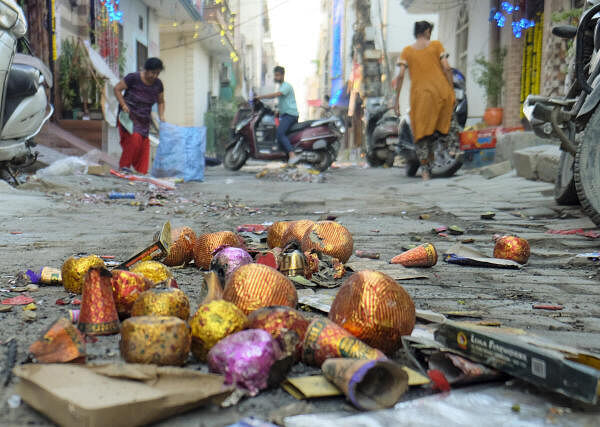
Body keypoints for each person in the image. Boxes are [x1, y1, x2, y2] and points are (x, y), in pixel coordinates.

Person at [394, 21, 455, 180]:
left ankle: (426, 171)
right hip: (440, 93)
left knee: (421, 134)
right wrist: (451, 89)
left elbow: (400, 75)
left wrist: (396, 101)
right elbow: (447, 67)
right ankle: (452, 151)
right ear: (427, 31)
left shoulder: (407, 51)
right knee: (444, 126)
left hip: (420, 97)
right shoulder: (436, 46)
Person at [114, 57, 166, 174]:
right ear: (146, 70)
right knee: (134, 139)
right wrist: (123, 105)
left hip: (143, 120)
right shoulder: (133, 78)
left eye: (157, 73)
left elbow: (161, 101)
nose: (154, 76)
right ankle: (124, 168)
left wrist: (161, 116)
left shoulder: (158, 84)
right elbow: (117, 89)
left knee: (144, 145)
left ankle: (141, 173)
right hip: (128, 117)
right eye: (152, 72)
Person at [255, 66, 299, 163]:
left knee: (280, 133)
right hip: (285, 115)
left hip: (290, 115)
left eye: (278, 75)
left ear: (283, 75)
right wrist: (277, 112)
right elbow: (284, 102)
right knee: (278, 134)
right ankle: (285, 157)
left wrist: (261, 97)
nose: (276, 77)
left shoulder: (286, 86)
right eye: (275, 76)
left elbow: (277, 94)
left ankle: (292, 155)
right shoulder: (282, 86)